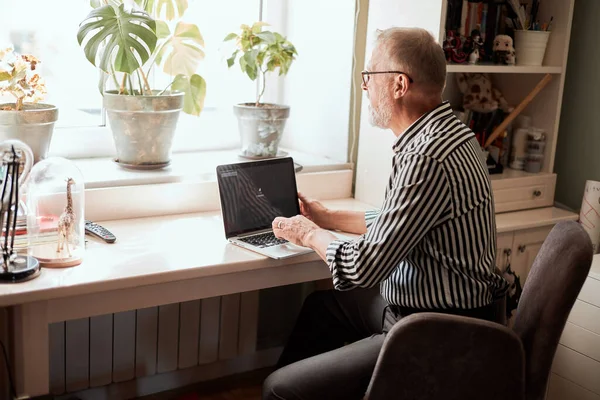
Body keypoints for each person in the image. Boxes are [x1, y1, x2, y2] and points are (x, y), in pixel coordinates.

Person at [263, 27, 509, 400]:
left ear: (398, 84)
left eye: (369, 76)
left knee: (279, 390)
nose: (365, 87)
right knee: (323, 308)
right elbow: (399, 221)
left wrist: (306, 233)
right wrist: (326, 218)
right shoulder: (451, 133)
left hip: (435, 332)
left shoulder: (425, 156)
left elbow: (362, 268)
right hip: (445, 310)